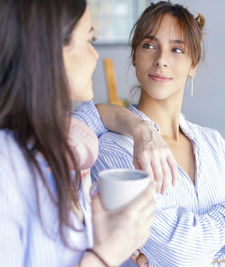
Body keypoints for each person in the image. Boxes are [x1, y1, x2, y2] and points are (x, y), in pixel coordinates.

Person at [75, 2, 225, 266]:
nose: (161, 60)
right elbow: (178, 255)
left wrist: (190, 255)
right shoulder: (114, 148)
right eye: (149, 45)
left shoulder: (213, 143)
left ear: (193, 65)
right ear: (134, 56)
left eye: (177, 49)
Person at [0, 0, 176, 266]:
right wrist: (106, 254)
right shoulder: (7, 167)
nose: (96, 55)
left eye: (177, 50)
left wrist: (144, 131)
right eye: (89, 39)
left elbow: (99, 113)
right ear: (48, 49)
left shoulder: (52, 134)